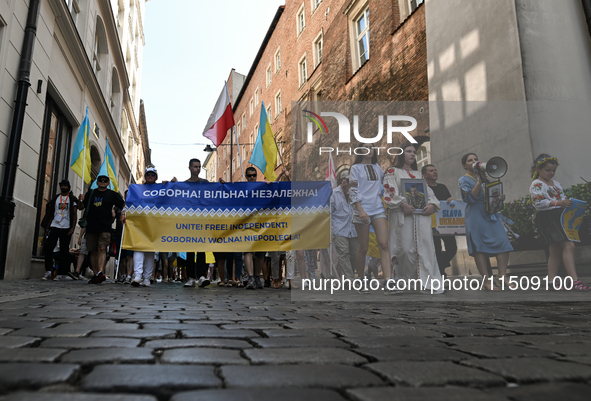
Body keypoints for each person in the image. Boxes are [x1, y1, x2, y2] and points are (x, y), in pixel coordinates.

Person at [384, 143, 443, 294]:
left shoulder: (418, 175)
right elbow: (389, 193)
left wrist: (431, 206)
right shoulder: (392, 172)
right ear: (400, 153)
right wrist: (402, 204)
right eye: (408, 151)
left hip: (421, 219)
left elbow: (429, 194)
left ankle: (427, 282)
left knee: (424, 249)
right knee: (403, 249)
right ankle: (402, 281)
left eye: (414, 152)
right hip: (403, 217)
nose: (412, 154)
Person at [529, 154, 591, 291]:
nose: (551, 173)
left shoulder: (556, 184)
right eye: (548, 170)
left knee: (555, 249)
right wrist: (559, 203)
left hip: (559, 216)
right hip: (548, 217)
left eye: (553, 170)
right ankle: (574, 280)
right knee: (569, 245)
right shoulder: (537, 184)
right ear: (538, 169)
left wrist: (567, 204)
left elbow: (560, 199)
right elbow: (538, 203)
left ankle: (552, 281)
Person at [458, 153, 513, 290]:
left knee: (503, 242)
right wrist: (479, 182)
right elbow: (469, 198)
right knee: (479, 246)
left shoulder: (485, 178)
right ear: (465, 165)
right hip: (476, 214)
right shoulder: (463, 180)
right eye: (470, 160)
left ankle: (502, 275)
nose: (474, 161)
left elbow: (489, 196)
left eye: (476, 159)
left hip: (490, 214)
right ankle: (487, 281)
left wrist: (499, 198)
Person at [349, 147, 394, 292]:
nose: (369, 150)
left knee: (384, 244)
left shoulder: (377, 168)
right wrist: (360, 210)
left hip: (378, 209)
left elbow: (386, 184)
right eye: (365, 147)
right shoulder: (355, 168)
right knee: (363, 247)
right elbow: (353, 190)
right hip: (362, 210)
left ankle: (388, 280)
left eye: (371, 147)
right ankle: (361, 278)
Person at [78, 174, 125, 284]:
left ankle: (101, 272)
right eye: (100, 180)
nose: (103, 182)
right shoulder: (91, 193)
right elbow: (81, 207)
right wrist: (81, 200)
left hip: (105, 227)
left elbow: (123, 204)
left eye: (105, 180)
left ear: (108, 183)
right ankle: (96, 274)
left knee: (102, 249)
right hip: (91, 226)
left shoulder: (112, 194)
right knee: (92, 251)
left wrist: (120, 213)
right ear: (97, 182)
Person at [171, 159, 210, 288]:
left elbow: (215, 193)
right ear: (189, 168)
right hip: (188, 221)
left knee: (201, 250)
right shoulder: (184, 185)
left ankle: (202, 276)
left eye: (199, 167)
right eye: (195, 167)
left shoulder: (205, 183)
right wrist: (170, 184)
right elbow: (175, 196)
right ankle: (191, 278)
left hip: (202, 220)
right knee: (189, 250)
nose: (198, 169)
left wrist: (221, 184)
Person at [123, 167, 158, 287]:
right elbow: (129, 203)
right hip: (139, 224)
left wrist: (171, 183)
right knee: (138, 248)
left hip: (153, 225)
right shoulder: (137, 189)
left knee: (149, 251)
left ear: (156, 177)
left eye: (153, 175)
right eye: (148, 174)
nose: (150, 176)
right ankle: (137, 276)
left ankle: (147, 278)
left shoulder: (161, 189)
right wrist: (124, 213)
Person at [41, 179, 81, 281]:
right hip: (55, 225)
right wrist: (47, 227)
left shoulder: (71, 198)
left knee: (64, 250)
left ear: (68, 187)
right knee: (49, 247)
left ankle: (61, 273)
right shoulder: (56, 198)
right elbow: (51, 212)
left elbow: (75, 213)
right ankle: (48, 271)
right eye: (62, 185)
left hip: (66, 226)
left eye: (65, 185)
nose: (63, 187)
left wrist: (72, 227)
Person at [423, 164, 457, 275]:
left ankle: (442, 264)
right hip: (432, 225)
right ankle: (441, 273)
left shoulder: (442, 187)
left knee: (452, 248)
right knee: (436, 250)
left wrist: (450, 200)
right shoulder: (424, 189)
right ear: (424, 175)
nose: (435, 172)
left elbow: (448, 200)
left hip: (445, 224)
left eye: (435, 170)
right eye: (431, 171)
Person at [330, 171, 358, 281]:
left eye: (348, 180)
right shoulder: (334, 193)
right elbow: (330, 211)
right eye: (344, 179)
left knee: (355, 254)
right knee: (343, 254)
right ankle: (350, 279)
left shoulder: (355, 192)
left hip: (354, 228)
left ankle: (348, 277)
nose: (345, 181)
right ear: (342, 181)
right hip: (340, 229)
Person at [243, 167, 266, 290]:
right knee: (248, 251)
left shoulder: (262, 187)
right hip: (246, 225)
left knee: (260, 253)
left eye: (254, 175)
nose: (252, 177)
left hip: (261, 225)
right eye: (249, 175)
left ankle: (257, 277)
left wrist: (270, 186)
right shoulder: (241, 188)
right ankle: (251, 277)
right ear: (246, 176)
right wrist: (223, 184)